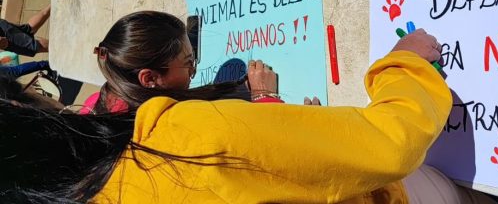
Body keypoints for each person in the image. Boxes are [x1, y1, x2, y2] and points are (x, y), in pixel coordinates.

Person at [0, 26, 464, 203]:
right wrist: (409, 65)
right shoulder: (172, 146)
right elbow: (387, 144)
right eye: (188, 62)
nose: (196, 66)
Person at [88, 11, 313, 114]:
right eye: (188, 63)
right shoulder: (162, 129)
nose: (194, 71)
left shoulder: (99, 102)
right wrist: (265, 99)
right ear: (150, 78)